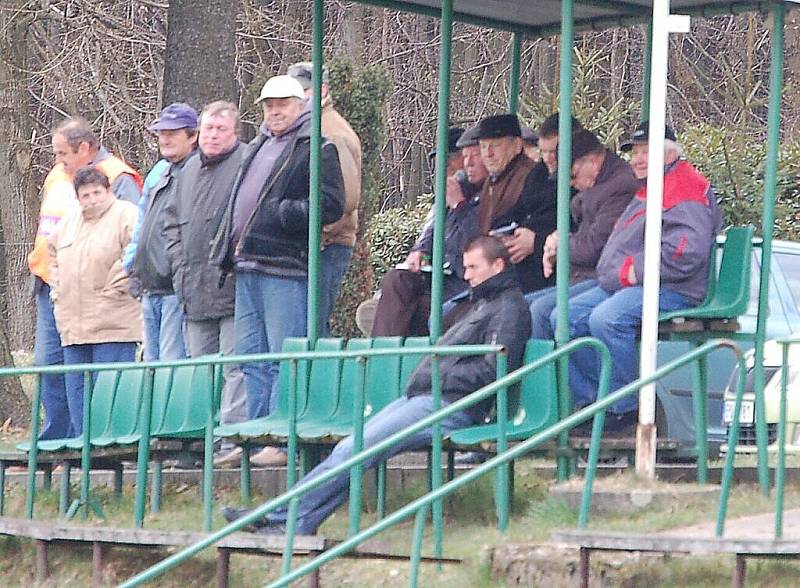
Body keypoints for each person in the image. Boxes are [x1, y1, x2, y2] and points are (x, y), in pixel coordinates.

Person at [221, 235, 531, 535]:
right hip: (428, 397)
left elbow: (495, 369)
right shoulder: (482, 304)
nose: (466, 275)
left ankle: (280, 518)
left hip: (451, 405)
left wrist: (439, 376)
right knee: (350, 448)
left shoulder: (508, 309)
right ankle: (288, 518)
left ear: (498, 266)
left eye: (474, 267)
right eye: (465, 267)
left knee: (354, 450)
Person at [210, 75, 345, 466]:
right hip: (247, 264)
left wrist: (280, 214)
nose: (275, 110)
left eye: (283, 103)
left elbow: (331, 205)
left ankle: (284, 440)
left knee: (284, 356)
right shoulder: (258, 146)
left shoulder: (317, 148)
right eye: (269, 104)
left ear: (300, 104)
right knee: (251, 357)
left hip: (285, 267)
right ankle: (255, 435)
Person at [568, 121, 722, 436]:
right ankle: (591, 403)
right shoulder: (652, 185)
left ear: (668, 153)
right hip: (633, 283)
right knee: (566, 317)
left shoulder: (684, 187)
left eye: (645, 152)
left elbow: (685, 253)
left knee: (607, 319)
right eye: (635, 152)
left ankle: (622, 408)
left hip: (674, 288)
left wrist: (633, 269)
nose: (636, 159)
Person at [30, 117, 142, 440]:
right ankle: (61, 438)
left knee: (104, 380)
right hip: (59, 295)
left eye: (63, 153)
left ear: (85, 148)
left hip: (106, 306)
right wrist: (55, 283)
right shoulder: (57, 177)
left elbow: (133, 245)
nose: (58, 160)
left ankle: (105, 443)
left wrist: (115, 286)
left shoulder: (118, 176)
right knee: (53, 369)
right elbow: (53, 241)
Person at [164, 101, 248, 464]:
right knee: (201, 370)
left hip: (232, 287)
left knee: (235, 366)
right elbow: (170, 223)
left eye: (221, 129)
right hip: (192, 288)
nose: (213, 135)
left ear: (235, 133)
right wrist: (179, 267)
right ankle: (202, 439)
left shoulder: (246, 163)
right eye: (208, 128)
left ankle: (231, 438)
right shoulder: (186, 171)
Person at [47, 167, 141, 437]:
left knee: (110, 389)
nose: (92, 200)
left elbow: (136, 252)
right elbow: (52, 257)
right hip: (73, 325)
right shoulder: (68, 223)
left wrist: (117, 285)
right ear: (77, 197)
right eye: (85, 195)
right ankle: (83, 447)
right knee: (77, 391)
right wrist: (58, 290)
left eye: (97, 192)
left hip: (114, 320)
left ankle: (113, 446)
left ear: (108, 191)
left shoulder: (126, 214)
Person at [369, 126, 488, 337]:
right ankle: (383, 359)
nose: (447, 165)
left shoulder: (485, 194)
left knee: (405, 313)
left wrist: (460, 206)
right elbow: (432, 231)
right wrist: (420, 251)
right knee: (396, 280)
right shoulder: (449, 194)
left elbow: (475, 244)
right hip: (438, 281)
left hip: (463, 286)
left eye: (453, 157)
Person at [529, 125, 639, 338]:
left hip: (603, 277)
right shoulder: (597, 185)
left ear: (593, 161)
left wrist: (559, 245)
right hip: (587, 275)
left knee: (542, 312)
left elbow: (591, 249)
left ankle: (560, 372)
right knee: (525, 307)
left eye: (572, 174)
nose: (570, 183)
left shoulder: (620, 187)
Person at [287, 62, 363, 336]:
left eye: (302, 92)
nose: (294, 100)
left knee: (313, 326)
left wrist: (318, 237)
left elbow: (346, 200)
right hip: (311, 246)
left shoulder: (332, 133)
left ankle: (319, 379)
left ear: (322, 90)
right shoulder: (307, 127)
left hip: (327, 246)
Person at [124, 103, 199, 361]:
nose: (165, 139)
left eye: (172, 133)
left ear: (193, 136)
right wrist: (131, 265)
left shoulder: (199, 169)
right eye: (161, 133)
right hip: (149, 285)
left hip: (175, 288)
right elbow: (142, 223)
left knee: (172, 366)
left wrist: (179, 273)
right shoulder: (159, 171)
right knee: (151, 367)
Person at [476, 113, 557, 295]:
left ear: (517, 145)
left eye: (495, 146)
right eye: (483, 147)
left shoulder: (527, 174)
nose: (488, 154)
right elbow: (514, 217)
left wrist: (533, 242)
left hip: (532, 274)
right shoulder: (494, 180)